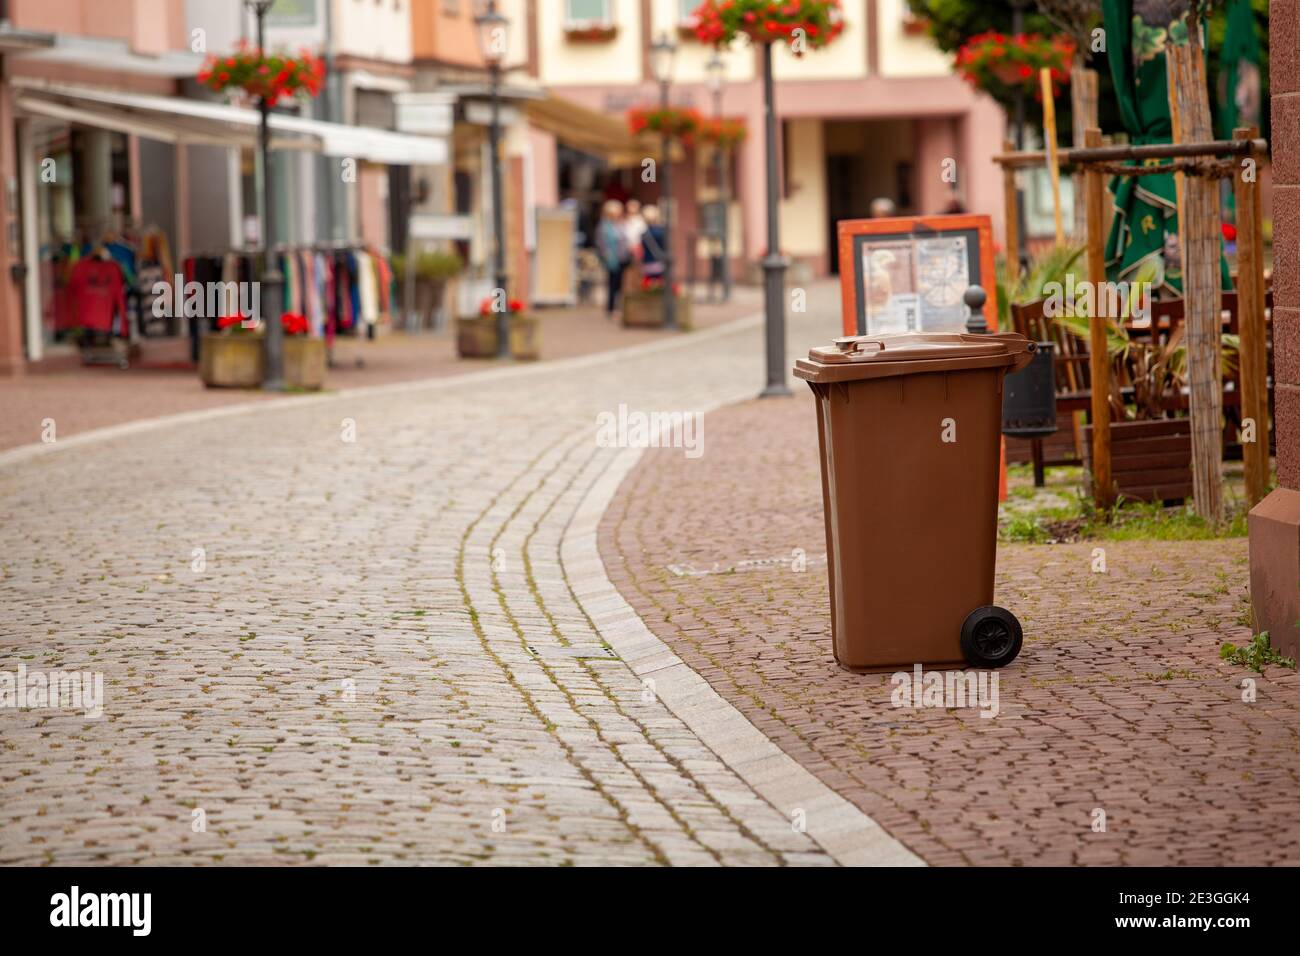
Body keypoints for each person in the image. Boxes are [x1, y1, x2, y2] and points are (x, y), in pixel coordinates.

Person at [596, 199, 628, 317]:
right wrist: (607, 256)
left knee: (620, 284)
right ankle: (611, 308)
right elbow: (602, 244)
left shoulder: (619, 224)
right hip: (612, 259)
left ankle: (618, 307)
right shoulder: (604, 226)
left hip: (622, 258)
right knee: (612, 284)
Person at [640, 205, 668, 281]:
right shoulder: (662, 232)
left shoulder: (644, 234)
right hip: (660, 262)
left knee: (649, 287)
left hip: (648, 263)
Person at [622, 199, 647, 263]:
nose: (631, 209)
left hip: (637, 247)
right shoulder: (623, 220)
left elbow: (642, 234)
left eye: (633, 207)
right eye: (629, 207)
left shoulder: (640, 220)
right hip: (624, 248)